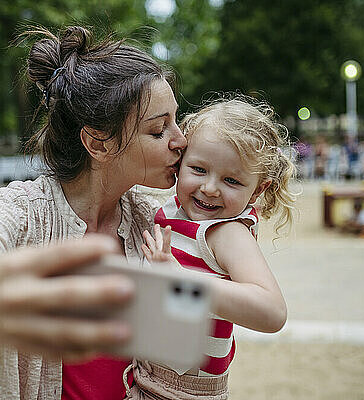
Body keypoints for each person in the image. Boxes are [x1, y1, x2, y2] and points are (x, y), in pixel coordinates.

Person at [0, 25, 186, 400]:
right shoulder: (20, 212)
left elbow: (186, 347)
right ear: (97, 142)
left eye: (176, 121)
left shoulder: (155, 218)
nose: (181, 140)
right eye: (158, 130)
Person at [133, 96, 295, 399]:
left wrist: (185, 282)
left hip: (184, 391)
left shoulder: (226, 232)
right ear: (179, 163)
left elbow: (273, 312)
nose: (209, 187)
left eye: (231, 180)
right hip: (143, 377)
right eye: (198, 169)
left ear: (257, 189)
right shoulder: (173, 210)